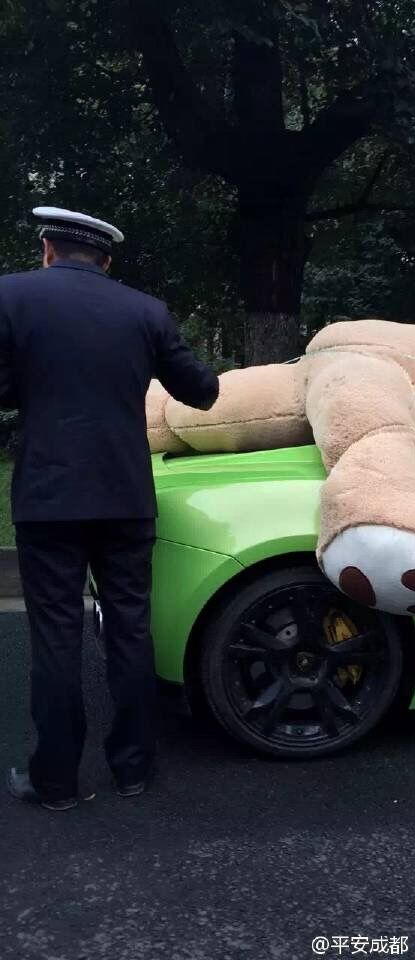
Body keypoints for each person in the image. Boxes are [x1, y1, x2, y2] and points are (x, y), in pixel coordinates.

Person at [0, 207, 219, 811]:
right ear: (106, 260)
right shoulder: (144, 311)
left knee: (56, 635)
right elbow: (202, 391)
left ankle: (55, 784)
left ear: (47, 248)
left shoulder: (11, 296)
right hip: (125, 496)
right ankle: (132, 770)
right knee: (129, 629)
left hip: (49, 498)